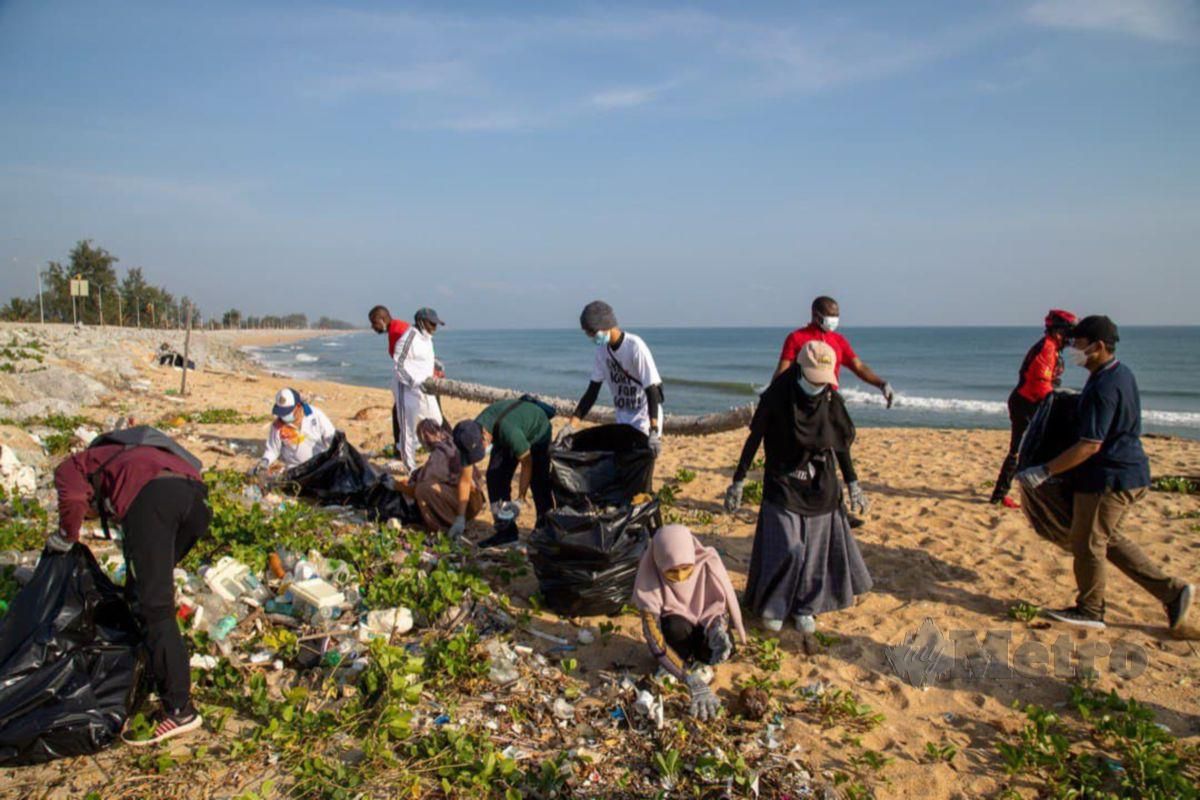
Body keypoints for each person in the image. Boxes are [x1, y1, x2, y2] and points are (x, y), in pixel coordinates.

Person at [1018, 316, 1194, 633]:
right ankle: (1172, 592)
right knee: (1107, 540)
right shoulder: (1119, 374)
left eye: (1080, 344)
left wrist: (1044, 471)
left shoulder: (1103, 386)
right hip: (1130, 472)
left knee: (1087, 543)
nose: (1073, 349)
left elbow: (1089, 445)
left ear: (1098, 346)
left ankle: (1090, 610)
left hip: (1109, 479)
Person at [51, 434, 210, 746]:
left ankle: (180, 709)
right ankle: (150, 669)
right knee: (141, 593)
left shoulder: (72, 466)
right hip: (196, 501)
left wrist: (65, 537)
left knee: (154, 607)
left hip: (156, 501)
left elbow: (70, 500)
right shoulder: (133, 457)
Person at [725, 340, 873, 633]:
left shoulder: (830, 400)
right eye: (815, 379)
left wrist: (853, 483)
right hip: (783, 479)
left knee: (814, 553)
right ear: (801, 371)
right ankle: (775, 605)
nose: (819, 386)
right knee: (789, 547)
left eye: (824, 380)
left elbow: (840, 445)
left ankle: (806, 607)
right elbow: (754, 438)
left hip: (821, 484)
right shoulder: (777, 395)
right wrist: (738, 480)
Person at [633, 524, 747, 720]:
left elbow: (718, 609)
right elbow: (654, 638)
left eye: (686, 569)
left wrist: (716, 631)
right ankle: (677, 665)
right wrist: (690, 679)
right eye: (672, 572)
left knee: (725, 641)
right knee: (675, 626)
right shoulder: (649, 581)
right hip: (675, 639)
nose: (680, 577)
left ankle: (701, 663)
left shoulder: (707, 565)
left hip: (702, 631)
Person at [990, 309, 1077, 507]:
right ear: (1058, 332)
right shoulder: (1046, 348)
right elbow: (1040, 383)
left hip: (1031, 402)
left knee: (1025, 449)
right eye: (1068, 334)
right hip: (1026, 404)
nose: (1070, 339)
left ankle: (1001, 493)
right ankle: (1001, 494)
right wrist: (1057, 401)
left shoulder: (1051, 348)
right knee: (1020, 450)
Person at [450, 396, 555, 548]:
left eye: (481, 449)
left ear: (485, 436)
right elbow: (465, 480)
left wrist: (520, 499)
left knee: (539, 482)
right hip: (506, 431)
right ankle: (506, 532)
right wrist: (459, 518)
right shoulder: (467, 435)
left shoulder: (509, 431)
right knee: (494, 476)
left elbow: (526, 463)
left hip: (538, 430)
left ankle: (546, 530)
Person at [564, 301, 665, 456]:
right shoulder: (601, 351)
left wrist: (654, 430)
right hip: (623, 421)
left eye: (592, 331)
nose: (590, 336)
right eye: (588, 333)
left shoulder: (634, 347)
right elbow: (592, 392)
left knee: (640, 473)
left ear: (606, 325)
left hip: (645, 422)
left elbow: (651, 389)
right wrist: (570, 426)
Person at [774, 296, 894, 408]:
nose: (834, 319)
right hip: (801, 401)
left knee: (844, 428)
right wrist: (771, 396)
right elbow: (782, 371)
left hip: (829, 401)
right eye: (830, 315)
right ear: (815, 314)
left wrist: (882, 384)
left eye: (836, 315)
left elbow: (859, 367)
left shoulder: (838, 340)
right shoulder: (796, 338)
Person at [396, 419, 485, 531]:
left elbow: (418, 486)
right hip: (476, 499)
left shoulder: (439, 455)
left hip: (467, 504)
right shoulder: (454, 442)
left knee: (422, 490)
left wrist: (397, 486)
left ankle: (444, 526)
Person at [391, 308, 446, 472]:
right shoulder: (408, 338)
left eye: (436, 324)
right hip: (406, 389)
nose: (434, 328)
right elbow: (398, 366)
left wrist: (435, 370)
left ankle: (436, 458)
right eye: (432, 324)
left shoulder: (428, 340)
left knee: (437, 420)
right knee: (407, 428)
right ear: (421, 322)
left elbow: (425, 361)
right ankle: (410, 468)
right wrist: (414, 382)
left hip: (426, 388)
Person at [250, 388, 337, 475]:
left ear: (298, 407)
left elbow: (331, 437)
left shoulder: (315, 415)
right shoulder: (278, 426)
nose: (283, 416)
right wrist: (265, 461)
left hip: (320, 464)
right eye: (281, 413)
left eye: (287, 412)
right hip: (294, 469)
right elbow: (273, 449)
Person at [368, 305, 411, 451]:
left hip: (414, 378)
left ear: (382, 319)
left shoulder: (398, 331)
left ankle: (401, 448)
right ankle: (401, 446)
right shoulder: (396, 329)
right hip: (410, 377)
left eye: (374, 323)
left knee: (400, 412)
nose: (372, 327)